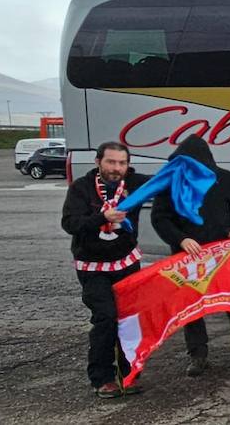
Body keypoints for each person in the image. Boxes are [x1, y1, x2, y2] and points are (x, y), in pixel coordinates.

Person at [149, 135, 230, 376]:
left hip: (221, 252)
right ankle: (198, 355)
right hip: (187, 255)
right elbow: (159, 218)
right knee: (191, 306)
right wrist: (180, 238)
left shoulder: (225, 179)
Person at [62, 141, 149, 398]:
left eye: (122, 163)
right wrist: (103, 218)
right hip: (93, 266)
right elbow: (70, 223)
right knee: (106, 318)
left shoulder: (134, 184)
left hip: (126, 262)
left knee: (129, 318)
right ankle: (102, 378)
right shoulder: (81, 189)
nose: (116, 168)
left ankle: (128, 373)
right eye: (111, 162)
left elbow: (165, 181)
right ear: (98, 162)